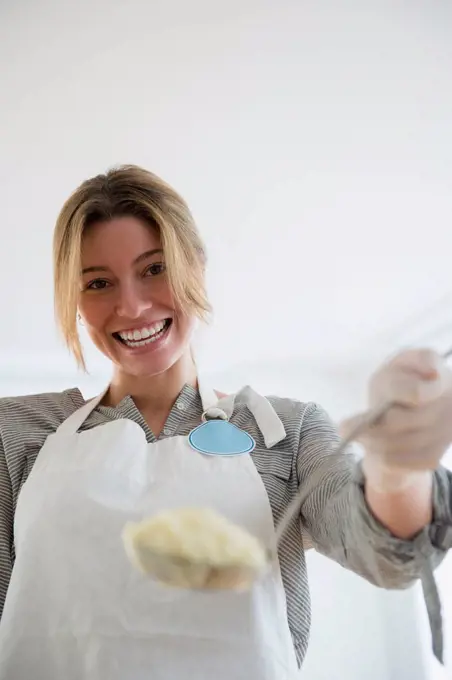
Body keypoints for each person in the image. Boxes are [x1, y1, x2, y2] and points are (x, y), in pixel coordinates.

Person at [0, 164, 451, 680]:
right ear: (75, 301)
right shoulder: (17, 433)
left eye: (155, 268)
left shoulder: (286, 430)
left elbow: (388, 556)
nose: (132, 305)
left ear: (196, 265)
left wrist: (398, 468)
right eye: (99, 283)